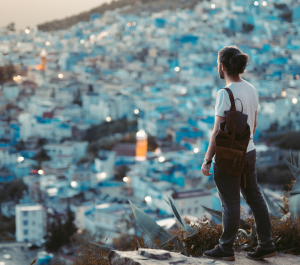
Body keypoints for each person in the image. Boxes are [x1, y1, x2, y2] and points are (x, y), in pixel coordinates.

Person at [201, 46, 277, 261]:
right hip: (249, 152)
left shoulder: (225, 93)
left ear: (222, 66)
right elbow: (252, 125)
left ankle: (226, 249)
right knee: (255, 197)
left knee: (231, 203)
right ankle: (267, 244)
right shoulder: (252, 89)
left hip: (228, 156)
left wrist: (207, 160)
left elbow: (217, 132)